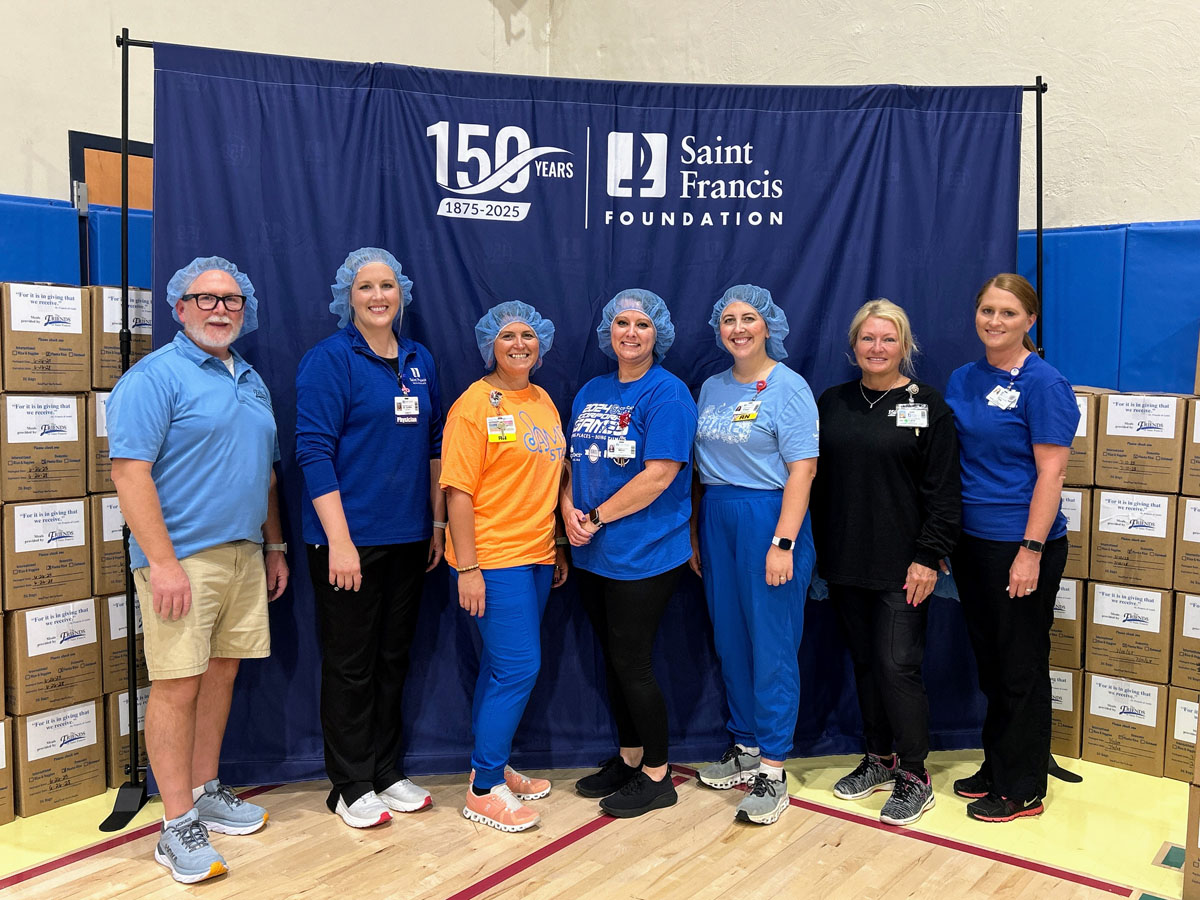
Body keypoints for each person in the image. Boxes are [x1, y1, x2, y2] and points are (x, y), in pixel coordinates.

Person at [107, 256, 289, 884]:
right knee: (178, 683)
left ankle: (207, 789)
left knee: (220, 673)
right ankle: (175, 824)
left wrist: (273, 546)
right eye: (205, 299)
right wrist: (161, 563)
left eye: (231, 300)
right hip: (180, 559)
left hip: (241, 554)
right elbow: (128, 472)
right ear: (178, 308)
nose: (220, 309)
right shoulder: (154, 378)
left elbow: (264, 473)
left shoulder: (251, 379)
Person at [295, 248, 444, 829]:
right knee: (350, 665)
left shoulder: (419, 358)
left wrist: (433, 525)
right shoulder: (330, 360)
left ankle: (385, 771)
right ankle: (350, 784)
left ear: (401, 293)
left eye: (387, 286)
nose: (378, 296)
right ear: (347, 298)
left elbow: (434, 446)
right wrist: (340, 541)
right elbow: (312, 452)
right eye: (365, 287)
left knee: (392, 660)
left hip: (409, 538)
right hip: (346, 543)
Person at [810, 299, 961, 827]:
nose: (877, 348)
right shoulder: (831, 402)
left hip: (906, 566)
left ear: (905, 346)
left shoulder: (929, 406)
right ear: (853, 346)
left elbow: (944, 494)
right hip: (845, 561)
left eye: (888, 339)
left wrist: (928, 557)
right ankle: (879, 759)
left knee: (899, 665)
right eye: (868, 339)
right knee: (867, 663)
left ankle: (915, 776)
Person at [944, 273, 1078, 823]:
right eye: (987, 311)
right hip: (972, 542)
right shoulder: (963, 377)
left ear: (1029, 321)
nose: (995, 322)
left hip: (1021, 544)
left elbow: (1052, 472)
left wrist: (1031, 548)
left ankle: (1023, 785)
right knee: (992, 663)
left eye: (1007, 313)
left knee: (1020, 664)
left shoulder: (1044, 384)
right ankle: (1000, 762)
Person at [562, 289, 697, 818]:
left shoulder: (668, 394)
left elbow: (660, 475)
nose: (631, 333)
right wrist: (568, 508)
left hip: (643, 553)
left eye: (642, 324)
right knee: (614, 662)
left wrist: (595, 518)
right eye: (622, 323)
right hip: (591, 550)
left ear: (657, 333)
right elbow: (570, 462)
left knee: (633, 663)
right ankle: (630, 755)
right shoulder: (591, 390)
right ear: (609, 332)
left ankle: (659, 775)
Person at [691, 284, 818, 826]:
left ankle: (773, 767)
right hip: (719, 516)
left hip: (769, 518)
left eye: (748, 319)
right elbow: (701, 468)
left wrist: (783, 541)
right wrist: (699, 532)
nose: (738, 328)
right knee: (731, 638)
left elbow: (803, 470)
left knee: (771, 643)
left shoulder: (789, 388)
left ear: (768, 325)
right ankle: (744, 745)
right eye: (728, 320)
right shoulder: (711, 387)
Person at [440, 300, 569, 833]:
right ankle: (483, 789)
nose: (519, 343)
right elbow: (458, 492)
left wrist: (556, 543)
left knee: (501, 669)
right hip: (493, 559)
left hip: (536, 554)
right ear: (490, 344)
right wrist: (468, 567)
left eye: (528, 335)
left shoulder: (542, 400)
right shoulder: (473, 404)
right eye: (508, 335)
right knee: (518, 668)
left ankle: (489, 765)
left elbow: (552, 478)